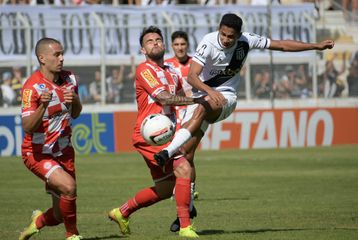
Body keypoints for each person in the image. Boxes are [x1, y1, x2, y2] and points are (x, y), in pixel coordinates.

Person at [154, 13, 334, 194]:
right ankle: (189, 204)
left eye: (230, 36)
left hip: (226, 98)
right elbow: (192, 76)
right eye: (223, 34)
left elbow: (281, 45)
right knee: (186, 153)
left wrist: (316, 46)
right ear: (219, 29)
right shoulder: (208, 42)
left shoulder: (247, 40)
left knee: (201, 108)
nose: (225, 39)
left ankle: (167, 151)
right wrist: (210, 91)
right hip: (204, 94)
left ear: (239, 34)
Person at [107, 26, 204, 238]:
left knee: (165, 189)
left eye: (158, 39)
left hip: (166, 134)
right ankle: (186, 227)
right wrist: (198, 99)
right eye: (149, 41)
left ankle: (121, 212)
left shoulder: (172, 72)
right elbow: (164, 98)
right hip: (150, 136)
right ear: (143, 49)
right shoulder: (144, 70)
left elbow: (179, 102)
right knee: (184, 168)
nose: (155, 43)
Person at [18, 37, 83, 240]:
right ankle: (72, 235)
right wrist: (42, 107)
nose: (62, 58)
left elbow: (76, 113)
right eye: (57, 54)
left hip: (64, 152)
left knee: (58, 214)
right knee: (69, 187)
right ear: (42, 58)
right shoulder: (32, 87)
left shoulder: (70, 79)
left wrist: (76, 100)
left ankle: (35, 223)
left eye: (62, 53)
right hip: (38, 153)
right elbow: (28, 126)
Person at [164, 30, 198, 233]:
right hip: (174, 116)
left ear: (187, 45)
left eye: (182, 44)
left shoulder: (196, 64)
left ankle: (187, 207)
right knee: (182, 159)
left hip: (194, 114)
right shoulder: (167, 65)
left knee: (187, 155)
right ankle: (188, 205)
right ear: (172, 46)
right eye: (176, 44)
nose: (180, 47)